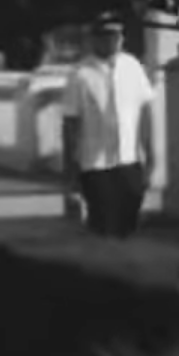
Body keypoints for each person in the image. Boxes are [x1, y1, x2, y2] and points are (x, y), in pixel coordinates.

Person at [59, 14, 157, 239]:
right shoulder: (80, 74)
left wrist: (151, 154)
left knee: (128, 223)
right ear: (94, 40)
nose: (112, 42)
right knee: (103, 223)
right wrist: (70, 168)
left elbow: (145, 111)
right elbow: (71, 122)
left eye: (116, 36)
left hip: (129, 160)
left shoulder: (133, 67)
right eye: (105, 37)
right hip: (95, 164)